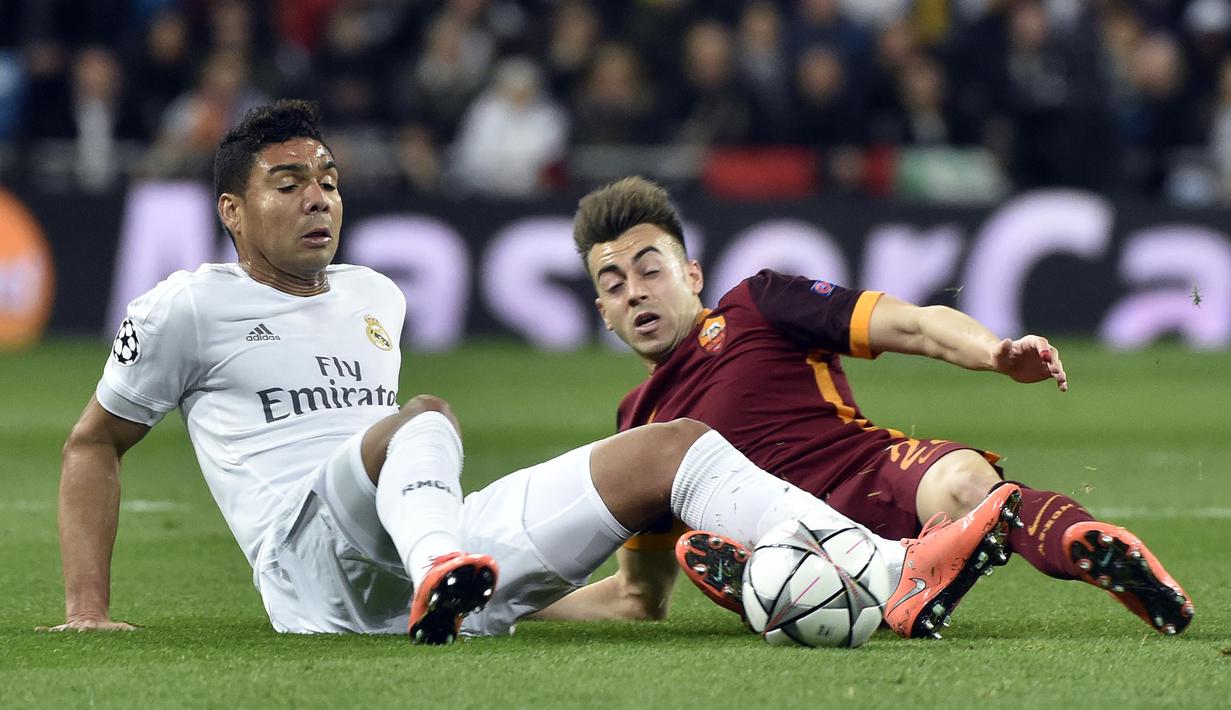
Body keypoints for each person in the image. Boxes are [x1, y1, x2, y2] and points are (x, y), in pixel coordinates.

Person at [46, 101, 1019, 643]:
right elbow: (95, 441)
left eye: (330, 178)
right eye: (288, 182)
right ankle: (447, 576)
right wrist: (85, 610)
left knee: (674, 446)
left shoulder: (374, 295)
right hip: (307, 568)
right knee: (421, 416)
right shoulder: (186, 304)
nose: (319, 199)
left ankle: (891, 570)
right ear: (230, 207)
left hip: (410, 543)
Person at [547, 176, 1194, 636]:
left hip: (870, 477)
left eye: (648, 269)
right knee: (728, 555)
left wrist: (996, 352)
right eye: (613, 284)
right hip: (791, 541)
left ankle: (1097, 553)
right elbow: (638, 598)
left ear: (691, 274)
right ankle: (812, 584)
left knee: (967, 481)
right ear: (602, 314)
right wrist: (512, 605)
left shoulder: (759, 302)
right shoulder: (637, 426)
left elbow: (912, 323)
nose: (634, 292)